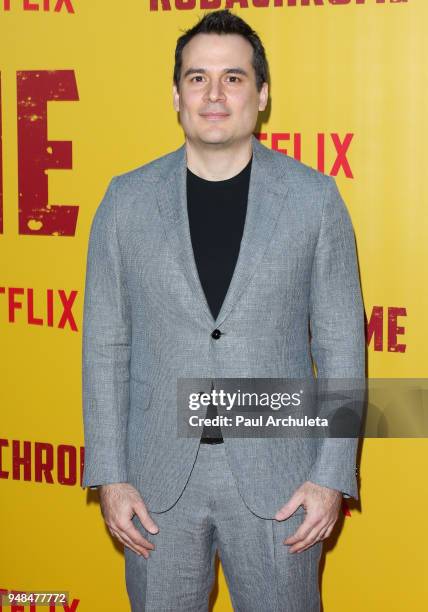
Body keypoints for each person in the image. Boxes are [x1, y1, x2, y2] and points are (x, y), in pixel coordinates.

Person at [81, 9, 365, 611]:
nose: (214, 94)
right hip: (155, 485)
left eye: (233, 78)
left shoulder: (315, 201)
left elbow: (342, 345)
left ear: (262, 95)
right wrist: (110, 474)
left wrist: (330, 477)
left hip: (282, 481)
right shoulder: (125, 202)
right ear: (176, 95)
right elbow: (105, 348)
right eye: (197, 78)